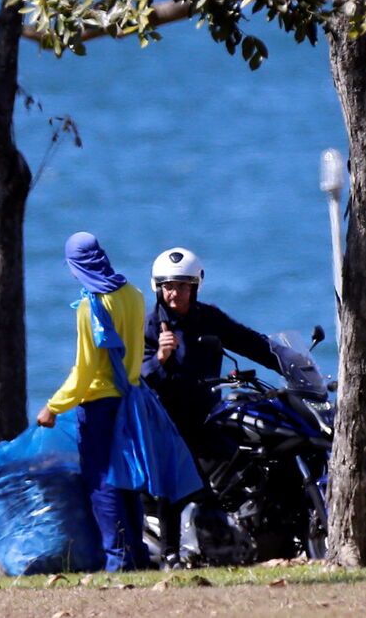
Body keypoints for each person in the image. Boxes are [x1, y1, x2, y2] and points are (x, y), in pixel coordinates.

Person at [141, 247, 282, 569]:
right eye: (167, 286)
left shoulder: (208, 318)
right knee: (173, 486)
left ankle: (235, 537)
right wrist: (160, 358)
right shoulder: (150, 325)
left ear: (195, 286)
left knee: (243, 464)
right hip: (168, 421)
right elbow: (138, 374)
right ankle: (170, 554)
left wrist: (287, 361)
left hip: (206, 413)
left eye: (181, 285)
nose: (173, 292)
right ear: (157, 287)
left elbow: (248, 341)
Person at [36, 232, 151, 572]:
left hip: (100, 404)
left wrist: (54, 406)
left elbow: (85, 370)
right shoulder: (135, 294)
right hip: (131, 400)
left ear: (76, 266)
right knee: (129, 480)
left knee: (103, 482)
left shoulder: (91, 306)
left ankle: (118, 560)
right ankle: (138, 555)